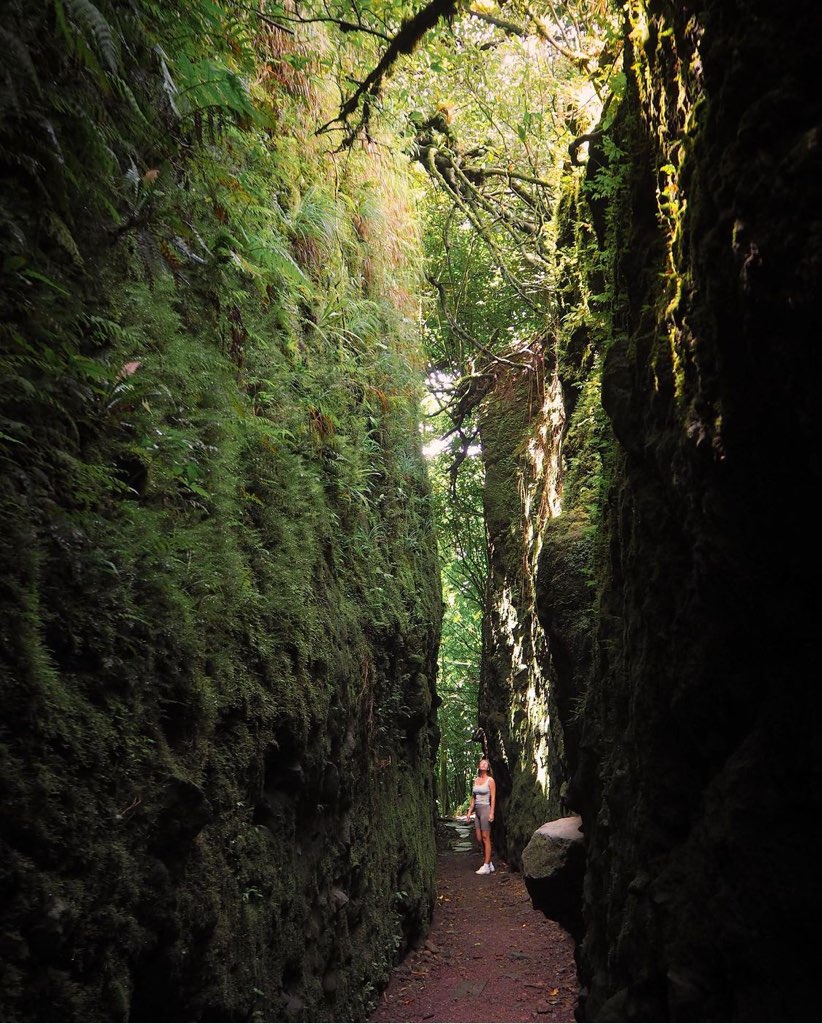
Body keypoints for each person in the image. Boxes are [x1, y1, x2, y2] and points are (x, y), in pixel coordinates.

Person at [465, 758, 496, 874]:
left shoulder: (490, 780)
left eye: (485, 764)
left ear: (488, 768)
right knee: (479, 838)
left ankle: (486, 865)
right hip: (477, 811)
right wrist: (469, 811)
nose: (483, 765)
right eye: (481, 763)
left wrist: (492, 812)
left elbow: (493, 797)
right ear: (479, 766)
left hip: (485, 809)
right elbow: (473, 797)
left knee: (485, 837)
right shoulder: (476, 780)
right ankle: (489, 861)